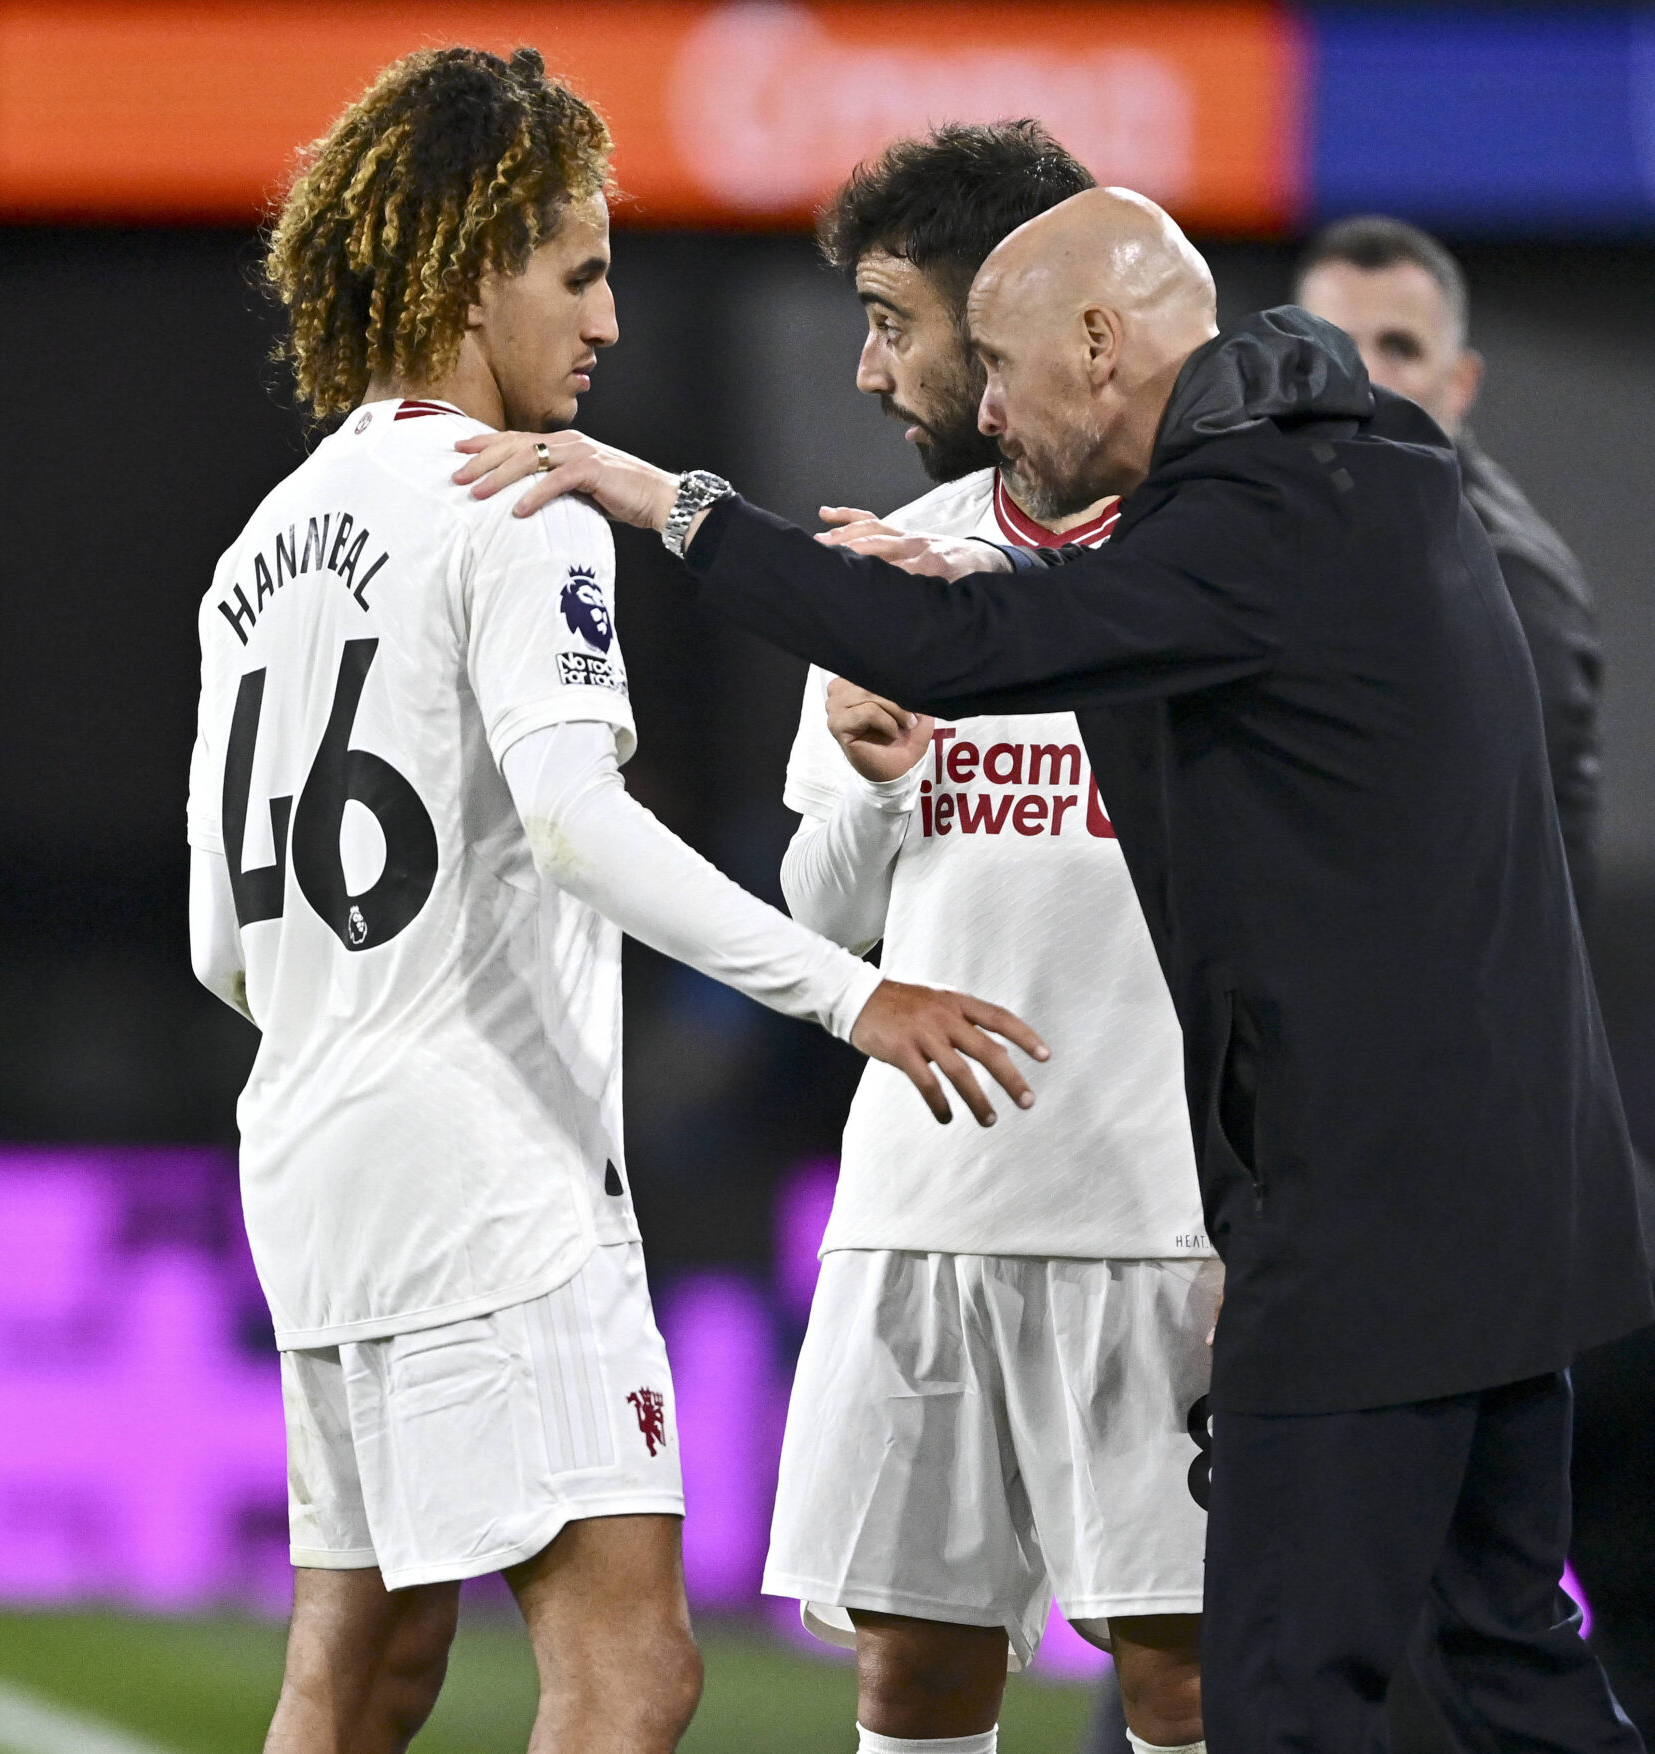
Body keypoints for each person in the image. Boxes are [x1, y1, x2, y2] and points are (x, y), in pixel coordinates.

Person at [456, 186, 1653, 1754]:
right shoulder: (1364, 474)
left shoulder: (1250, 520)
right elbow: (1126, 637)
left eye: (1003, 367)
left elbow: (995, 654)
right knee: (1510, 1662)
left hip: (1365, 1229)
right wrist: (978, 601)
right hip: (1504, 1210)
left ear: (1105, 340)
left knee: (1282, 1697)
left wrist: (669, 504)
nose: (990, 413)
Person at [189, 48, 1044, 1754]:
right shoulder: (525, 504)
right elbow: (579, 823)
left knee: (357, 1670)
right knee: (629, 1672)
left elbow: (224, 942)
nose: (610, 324)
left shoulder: (262, 545)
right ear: (463, 268)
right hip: (488, 1177)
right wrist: (844, 988)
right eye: (578, 271)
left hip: (306, 1146)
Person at [1296, 218, 1655, 1754]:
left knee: (1333, 1661)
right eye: (1328, 354)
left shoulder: (1478, 575)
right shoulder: (1378, 548)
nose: (1361, 386)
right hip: (1583, 1227)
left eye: (1400, 353)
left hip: (1501, 1234)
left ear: (1467, 378)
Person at [772, 125, 1212, 1754]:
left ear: (1009, 313)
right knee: (913, 1670)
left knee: (1181, 1667)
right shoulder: (889, 567)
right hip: (924, 1208)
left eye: (897, 319)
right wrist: (879, 780)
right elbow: (821, 927)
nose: (873, 366)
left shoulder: (1209, 557)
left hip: (1158, 1211)